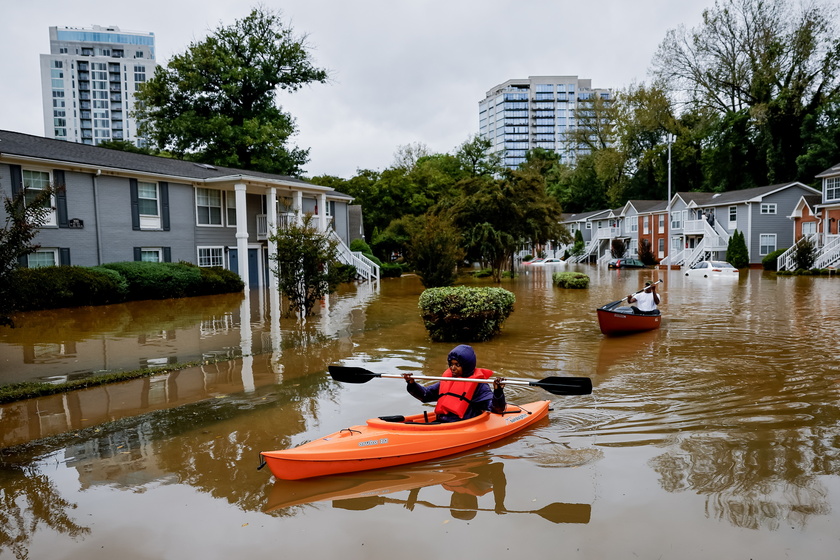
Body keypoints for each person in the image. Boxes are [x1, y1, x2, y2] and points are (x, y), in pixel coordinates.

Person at [403, 344, 506, 423]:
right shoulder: (449, 380)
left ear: (467, 366)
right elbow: (426, 395)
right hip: (442, 422)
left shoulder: (478, 385)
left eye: (457, 365)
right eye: (451, 364)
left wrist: (498, 391)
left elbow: (496, 408)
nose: (453, 368)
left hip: (463, 424)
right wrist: (412, 384)